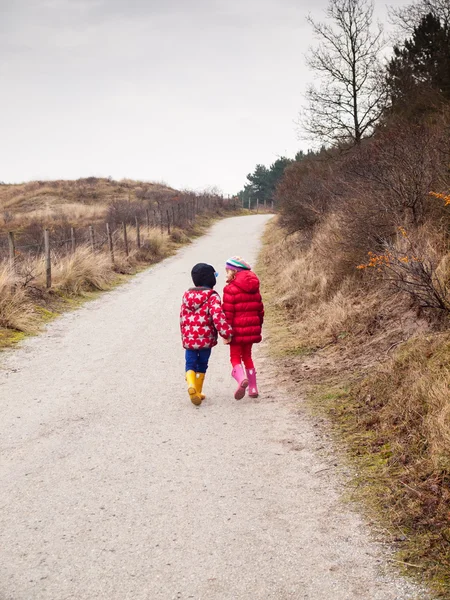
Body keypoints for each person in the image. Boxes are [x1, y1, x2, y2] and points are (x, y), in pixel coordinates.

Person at [180, 263, 232, 406]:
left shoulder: (186, 295)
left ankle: (191, 386)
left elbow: (182, 317)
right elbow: (218, 316)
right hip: (206, 338)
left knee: (190, 363)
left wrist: (185, 335)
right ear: (210, 279)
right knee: (202, 363)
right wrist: (225, 333)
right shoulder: (212, 297)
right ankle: (197, 389)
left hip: (190, 339)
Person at [222, 256, 264, 400]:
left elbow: (228, 314)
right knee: (247, 356)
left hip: (236, 331)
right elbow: (260, 309)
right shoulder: (255, 288)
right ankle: (253, 388)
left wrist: (226, 333)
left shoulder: (229, 289)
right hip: (252, 329)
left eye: (227, 271)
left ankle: (241, 380)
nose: (226, 274)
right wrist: (258, 325)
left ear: (233, 272)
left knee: (235, 357)